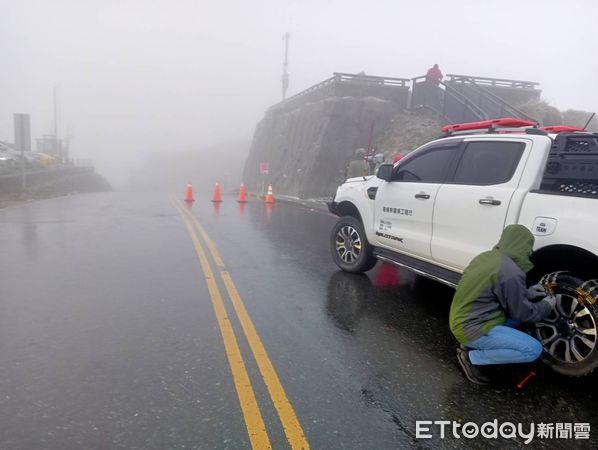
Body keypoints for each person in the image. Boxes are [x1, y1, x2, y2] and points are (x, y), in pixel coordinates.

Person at [449, 224, 556, 385]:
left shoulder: (487, 257)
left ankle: (472, 344)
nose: (530, 251)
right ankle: (471, 357)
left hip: (461, 319)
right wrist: (547, 305)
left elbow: (495, 291)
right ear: (522, 246)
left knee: (516, 319)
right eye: (529, 247)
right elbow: (524, 313)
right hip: (472, 328)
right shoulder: (511, 272)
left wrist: (527, 292)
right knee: (533, 350)